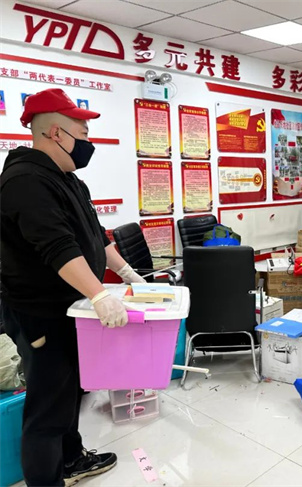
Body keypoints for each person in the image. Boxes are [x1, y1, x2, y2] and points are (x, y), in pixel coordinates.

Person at [1, 88, 147, 486]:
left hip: (71, 309)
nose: (87, 143)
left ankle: (71, 459)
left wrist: (128, 273)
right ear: (55, 133)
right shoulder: (24, 181)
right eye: (82, 134)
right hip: (40, 314)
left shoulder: (68, 180)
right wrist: (99, 294)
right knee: (48, 406)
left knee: (71, 392)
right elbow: (57, 246)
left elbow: (95, 236)